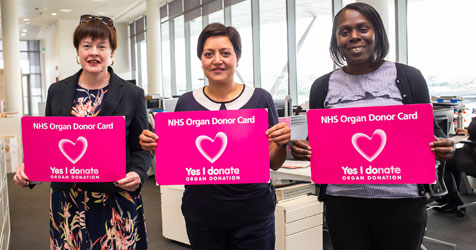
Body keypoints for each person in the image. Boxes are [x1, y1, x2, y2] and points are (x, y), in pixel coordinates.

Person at [290, 3, 455, 250]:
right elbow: (317, 142)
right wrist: (302, 149)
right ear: (336, 40)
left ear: (376, 32)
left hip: (401, 202)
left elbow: (434, 135)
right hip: (343, 203)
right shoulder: (322, 86)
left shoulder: (409, 77)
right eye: (345, 31)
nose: (354, 36)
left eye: (363, 29)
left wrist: (445, 148)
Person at [139, 23, 290, 250]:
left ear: (237, 58)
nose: (217, 60)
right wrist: (154, 146)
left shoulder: (260, 99)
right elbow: (179, 160)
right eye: (209, 54)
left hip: (254, 216)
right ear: (201, 60)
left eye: (225, 53)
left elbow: (274, 163)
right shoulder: (187, 103)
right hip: (203, 215)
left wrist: (280, 144)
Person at [14, 15, 151, 250]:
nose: (94, 53)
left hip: (115, 199)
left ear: (112, 52)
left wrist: (139, 172)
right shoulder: (57, 91)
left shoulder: (132, 94)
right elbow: (48, 143)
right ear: (77, 51)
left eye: (101, 46)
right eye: (86, 46)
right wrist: (30, 168)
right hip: (69, 202)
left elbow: (142, 146)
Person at [435, 113, 476, 213]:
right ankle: (450, 197)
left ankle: (454, 201)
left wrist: (470, 131)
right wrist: (468, 131)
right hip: (474, 155)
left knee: (446, 161)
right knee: (454, 157)